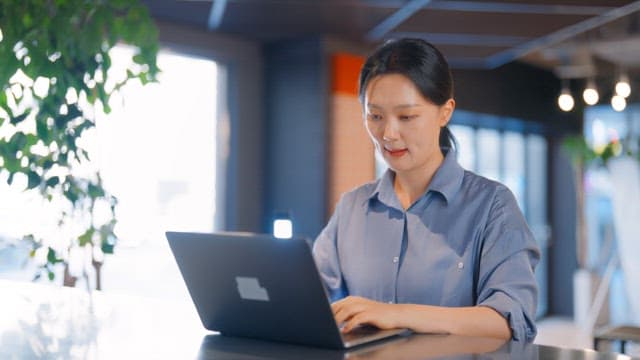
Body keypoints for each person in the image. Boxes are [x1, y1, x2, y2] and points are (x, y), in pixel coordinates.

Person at [312, 38, 540, 342]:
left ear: (445, 112)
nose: (388, 134)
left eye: (406, 117)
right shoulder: (353, 207)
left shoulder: (492, 205)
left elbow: (511, 319)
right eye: (375, 116)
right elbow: (310, 299)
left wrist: (397, 314)